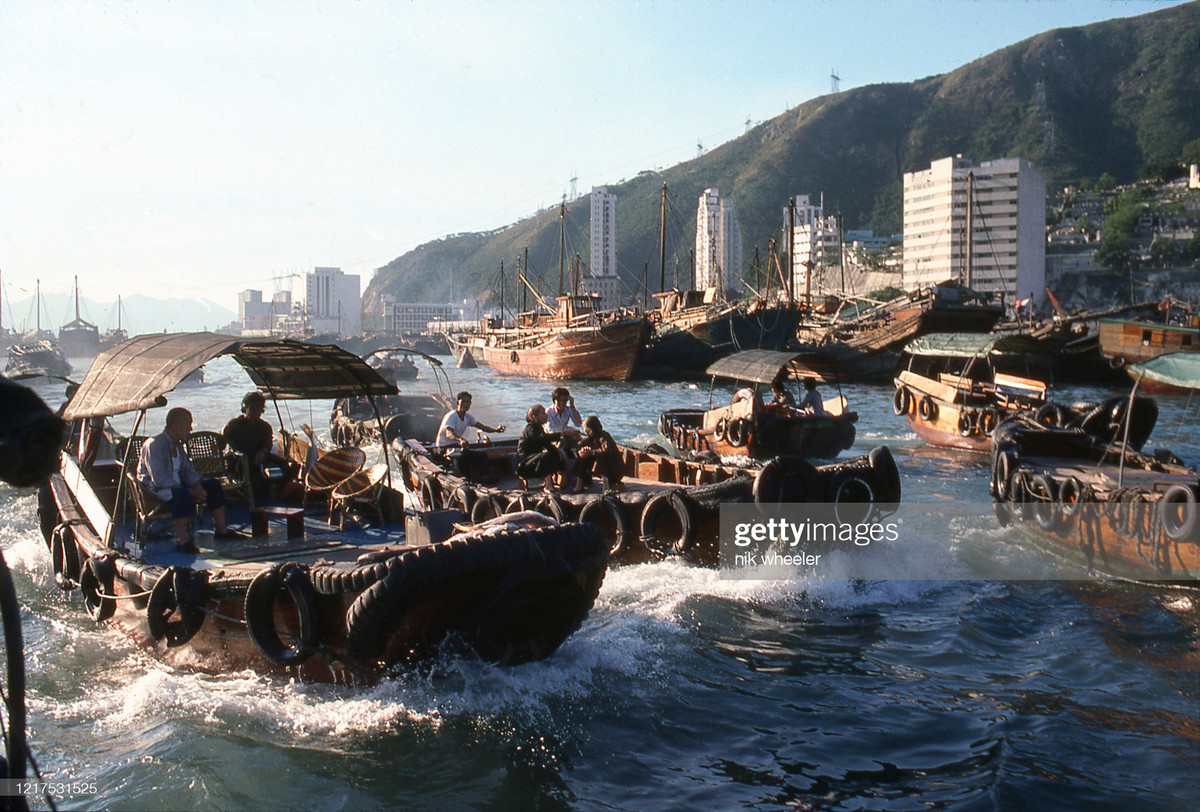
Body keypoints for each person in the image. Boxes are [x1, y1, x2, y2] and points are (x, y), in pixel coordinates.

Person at [138, 407, 241, 553]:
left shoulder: (178, 445)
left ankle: (221, 531)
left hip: (177, 486)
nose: (191, 429)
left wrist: (197, 486)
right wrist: (189, 491)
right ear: (176, 426)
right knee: (181, 493)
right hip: (154, 492)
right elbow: (159, 480)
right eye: (188, 424)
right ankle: (182, 541)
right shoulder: (154, 445)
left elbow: (188, 470)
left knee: (213, 485)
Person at [222, 391, 301, 501]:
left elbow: (267, 445)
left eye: (259, 408)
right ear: (245, 407)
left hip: (258, 457)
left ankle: (281, 490)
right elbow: (223, 443)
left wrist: (262, 453)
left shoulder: (264, 427)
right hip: (238, 459)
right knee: (251, 472)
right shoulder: (233, 425)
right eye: (253, 408)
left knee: (289, 464)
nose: (256, 411)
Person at [435, 391, 505, 479]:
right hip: (444, 448)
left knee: (479, 456)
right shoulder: (452, 416)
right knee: (473, 457)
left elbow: (483, 427)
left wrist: (496, 430)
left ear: (470, 403)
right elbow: (449, 434)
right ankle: (476, 478)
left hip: (457, 447)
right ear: (458, 403)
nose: (465, 404)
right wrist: (460, 440)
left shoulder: (468, 417)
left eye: (467, 402)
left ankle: (483, 477)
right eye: (463, 402)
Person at [517, 404, 576, 491]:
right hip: (526, 464)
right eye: (543, 413)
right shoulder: (530, 429)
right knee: (546, 456)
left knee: (565, 451)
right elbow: (542, 438)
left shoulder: (539, 428)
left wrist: (558, 450)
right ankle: (548, 485)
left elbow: (545, 443)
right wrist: (562, 434)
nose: (546, 415)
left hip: (536, 461)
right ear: (534, 417)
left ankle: (567, 480)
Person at [576, 415, 624, 492]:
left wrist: (592, 452)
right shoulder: (590, 438)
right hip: (606, 468)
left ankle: (606, 486)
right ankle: (579, 485)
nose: (584, 430)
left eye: (584, 427)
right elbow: (579, 445)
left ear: (590, 430)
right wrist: (582, 451)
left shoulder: (604, 436)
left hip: (615, 469)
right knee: (581, 458)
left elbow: (607, 451)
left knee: (601, 460)